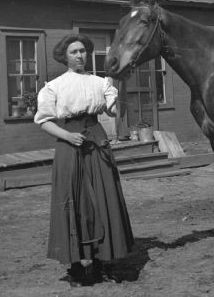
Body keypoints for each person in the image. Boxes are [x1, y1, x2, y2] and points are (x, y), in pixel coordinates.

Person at [34, 34, 133, 286]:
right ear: (65, 57)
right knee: (73, 198)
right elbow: (43, 121)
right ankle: (76, 266)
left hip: (97, 142)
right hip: (69, 144)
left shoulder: (101, 83)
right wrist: (67, 135)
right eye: (74, 52)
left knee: (103, 197)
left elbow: (114, 111)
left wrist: (120, 88)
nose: (80, 56)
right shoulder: (54, 86)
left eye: (83, 51)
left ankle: (101, 261)